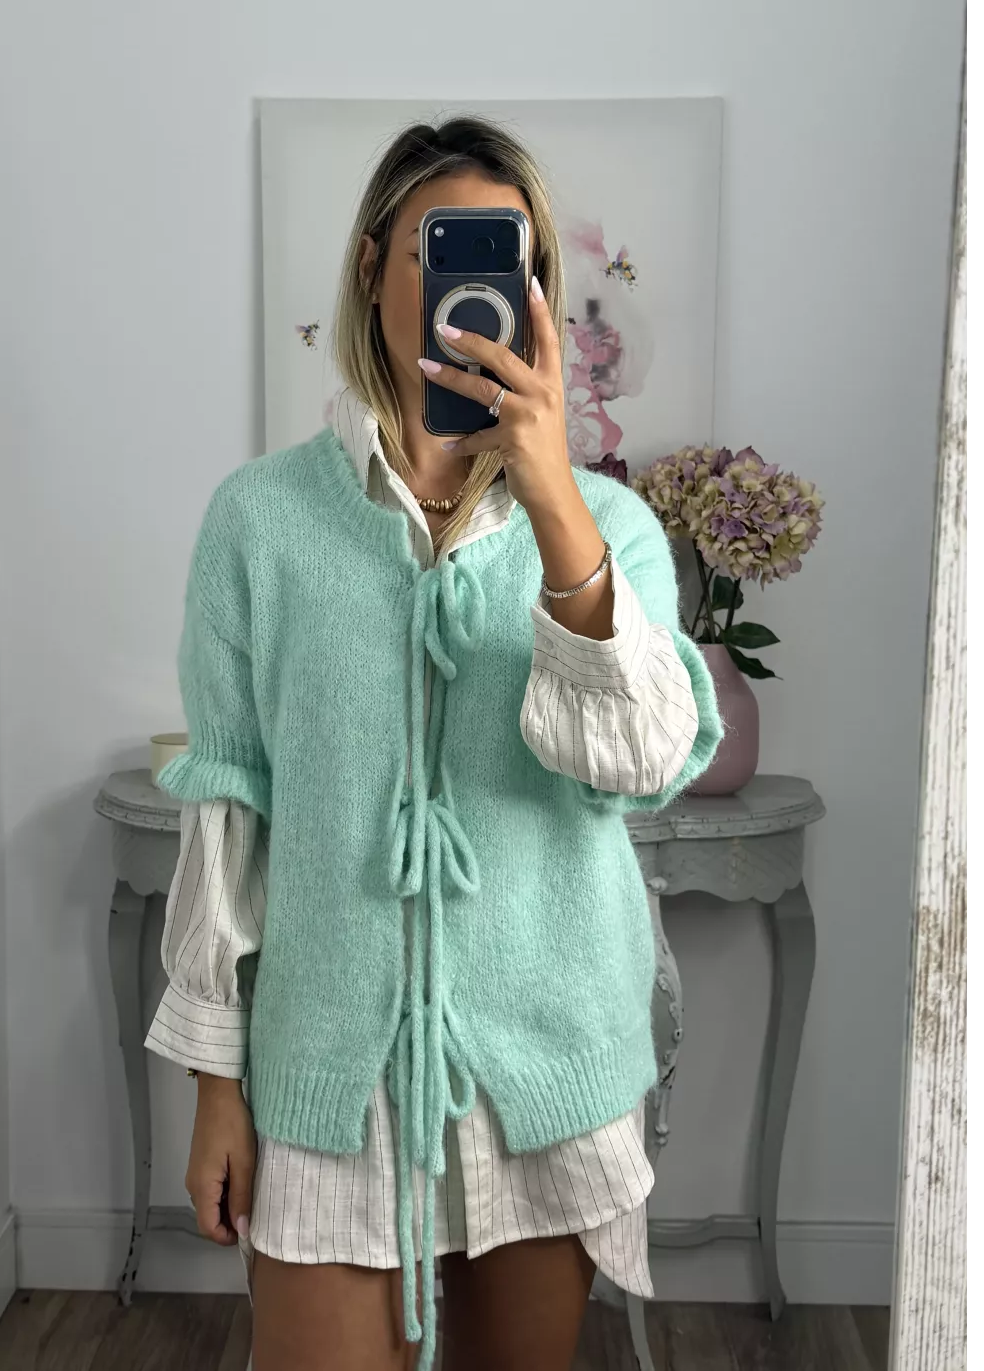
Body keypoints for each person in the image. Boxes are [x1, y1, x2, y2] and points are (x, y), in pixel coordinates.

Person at [144, 116, 723, 1371]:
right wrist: (214, 1087)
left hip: (546, 1068)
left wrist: (552, 493)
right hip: (326, 1072)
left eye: (506, 260)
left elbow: (639, 762)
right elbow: (230, 813)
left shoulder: (606, 526)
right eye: (439, 247)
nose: (472, 291)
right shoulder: (258, 522)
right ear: (372, 268)